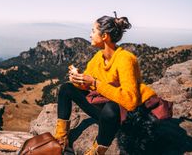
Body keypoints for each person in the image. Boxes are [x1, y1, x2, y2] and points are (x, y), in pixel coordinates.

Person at [53, 13, 157, 155]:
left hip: (126, 116)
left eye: (93, 31)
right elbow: (87, 85)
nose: (90, 35)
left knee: (110, 108)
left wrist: (95, 83)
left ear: (104, 36)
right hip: (106, 112)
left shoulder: (125, 59)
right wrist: (77, 79)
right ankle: (61, 139)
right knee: (66, 89)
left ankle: (97, 151)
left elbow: (130, 101)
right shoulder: (98, 58)